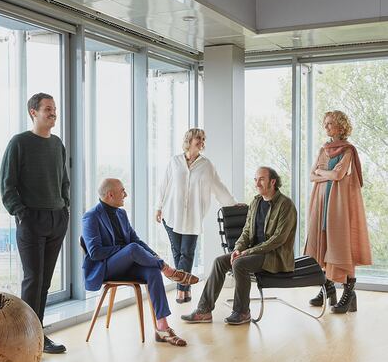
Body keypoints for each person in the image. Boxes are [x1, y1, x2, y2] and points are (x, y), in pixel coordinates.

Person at [82, 178, 200, 347]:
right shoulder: (91, 216)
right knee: (131, 249)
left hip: (128, 263)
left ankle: (162, 328)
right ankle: (170, 272)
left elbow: (135, 240)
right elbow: (95, 252)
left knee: (152, 271)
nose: (126, 194)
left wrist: (156, 258)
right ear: (110, 194)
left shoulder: (121, 213)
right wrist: (124, 250)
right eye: (122, 191)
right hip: (105, 268)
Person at [181, 167, 297, 325]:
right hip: (253, 254)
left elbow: (278, 240)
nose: (257, 183)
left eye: (261, 179)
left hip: (275, 256)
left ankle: (242, 312)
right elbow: (247, 231)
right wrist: (237, 249)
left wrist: (247, 252)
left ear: (273, 181)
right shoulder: (256, 202)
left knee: (240, 263)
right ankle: (204, 310)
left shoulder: (286, 205)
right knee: (219, 261)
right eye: (255, 179)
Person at [0, 92, 69, 354]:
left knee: (46, 282)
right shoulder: (19, 143)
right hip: (31, 219)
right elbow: (7, 183)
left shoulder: (57, 144)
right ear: (33, 112)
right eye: (48, 109)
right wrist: (20, 213)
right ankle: (25, 337)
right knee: (33, 279)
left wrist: (65, 207)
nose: (53, 113)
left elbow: (64, 180)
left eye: (54, 109)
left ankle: (38, 334)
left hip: (56, 218)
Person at [156, 128, 237, 304]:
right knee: (177, 252)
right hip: (171, 213)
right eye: (198, 138)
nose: (201, 141)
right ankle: (185, 288)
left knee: (187, 252)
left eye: (203, 139)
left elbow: (218, 186)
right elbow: (164, 185)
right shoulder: (175, 162)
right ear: (189, 140)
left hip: (192, 217)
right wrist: (158, 207)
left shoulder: (206, 165)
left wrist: (232, 203)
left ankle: (181, 290)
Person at [305, 110, 372, 313]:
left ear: (341, 126)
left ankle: (349, 293)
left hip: (339, 205)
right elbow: (311, 176)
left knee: (341, 245)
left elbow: (338, 174)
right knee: (321, 244)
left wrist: (322, 173)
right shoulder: (324, 149)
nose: (326, 127)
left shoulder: (347, 150)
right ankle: (328, 288)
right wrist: (328, 175)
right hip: (320, 201)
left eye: (330, 123)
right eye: (324, 123)